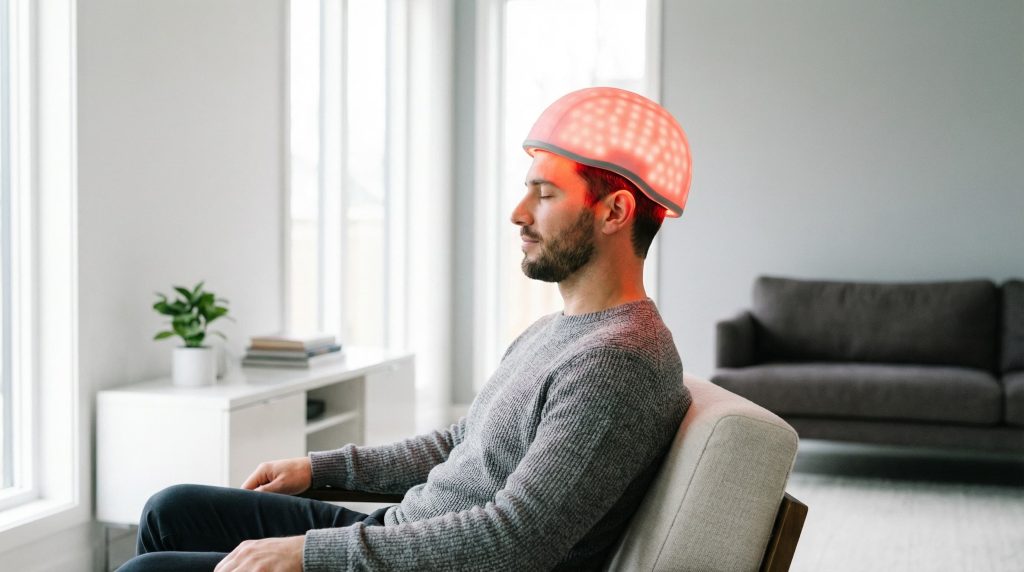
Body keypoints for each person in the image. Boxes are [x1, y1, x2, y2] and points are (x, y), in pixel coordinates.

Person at [119, 86, 693, 572]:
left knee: (148, 569)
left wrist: (311, 555)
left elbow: (515, 540)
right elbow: (462, 445)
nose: (519, 212)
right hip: (403, 528)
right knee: (172, 509)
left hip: (423, 559)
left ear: (614, 212)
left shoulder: (617, 362)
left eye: (544, 194)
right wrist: (320, 469)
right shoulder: (560, 330)